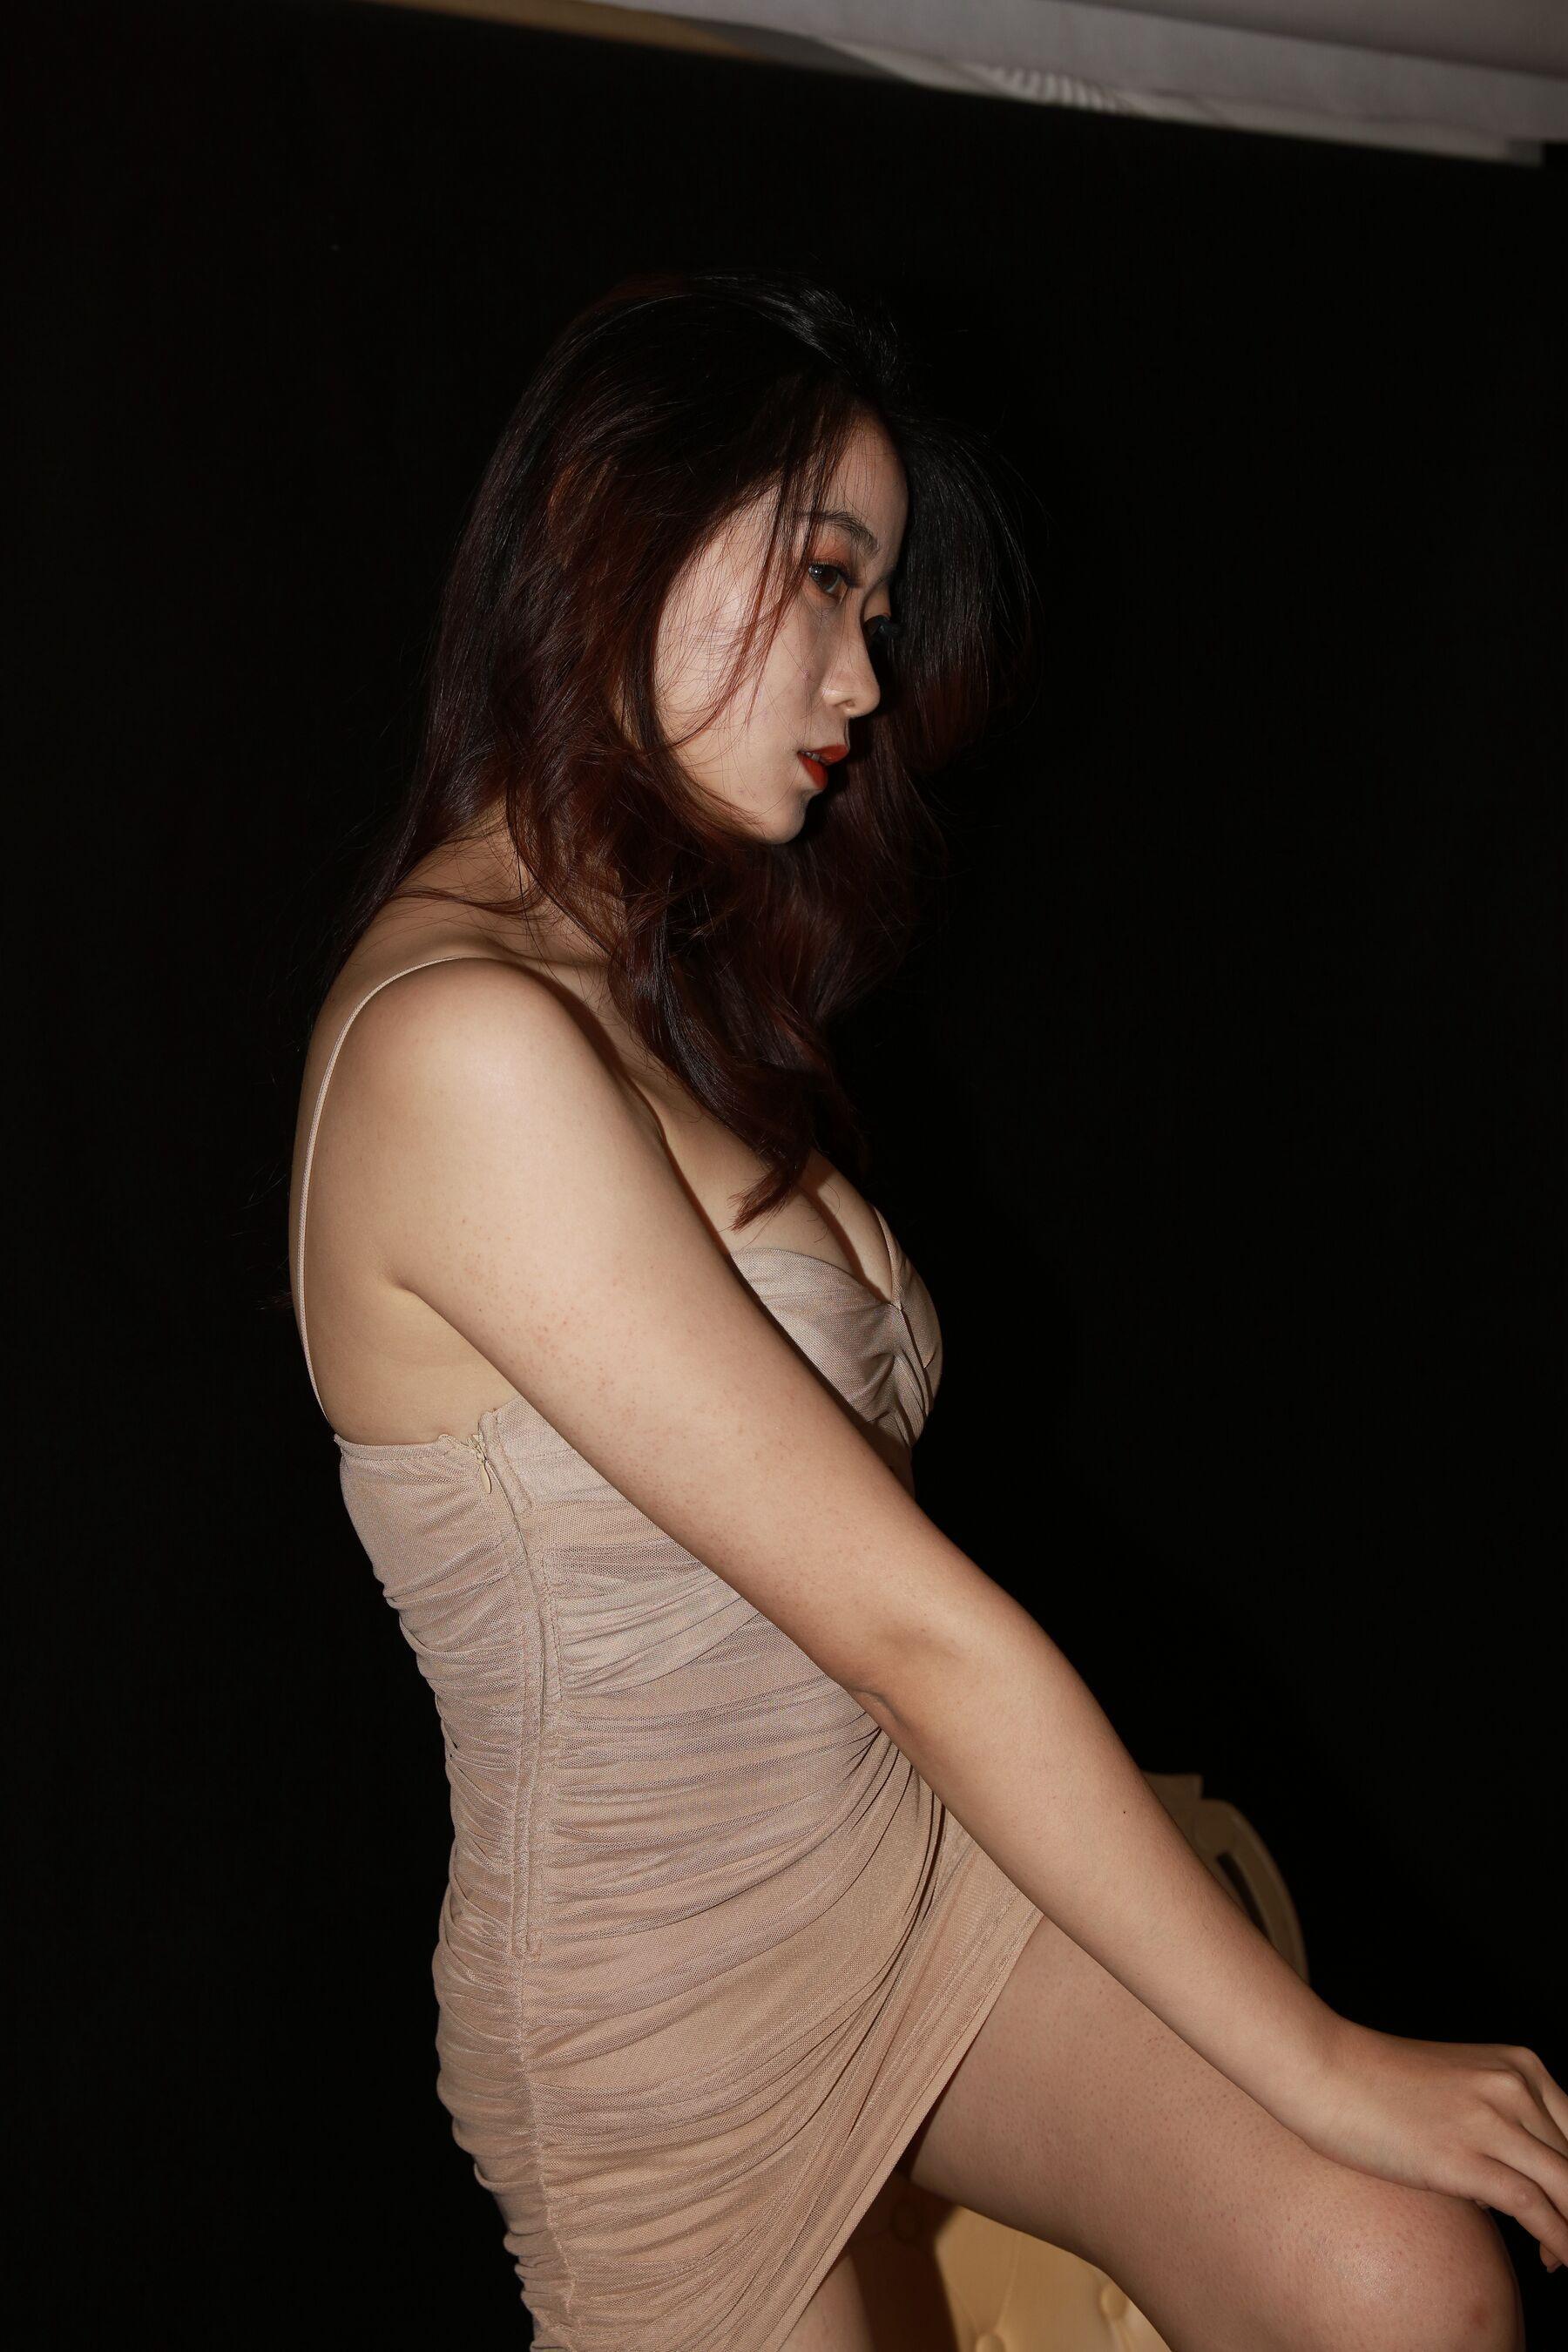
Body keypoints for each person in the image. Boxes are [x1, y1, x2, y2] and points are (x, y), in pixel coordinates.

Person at [287, 267, 1560, 2351]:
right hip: (666, 2021)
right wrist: (1326, 2059)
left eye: (875, 606)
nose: (865, 675)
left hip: (904, 1874)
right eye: (824, 576)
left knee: (1397, 2277)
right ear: (607, 520)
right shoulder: (459, 1051)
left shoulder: (645, 1006)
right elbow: (906, 1627)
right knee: (1359, 2164)